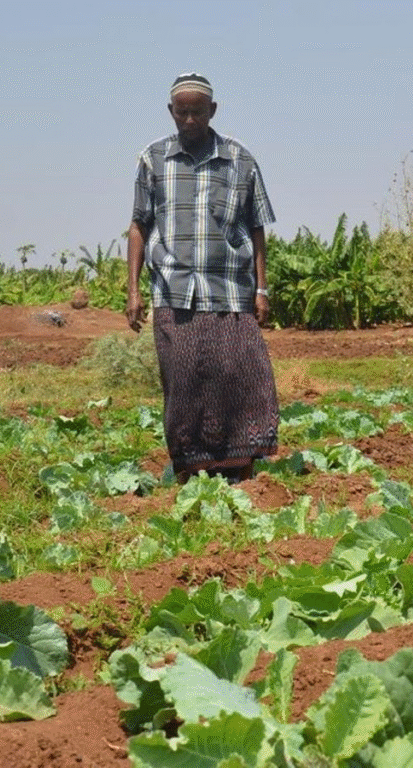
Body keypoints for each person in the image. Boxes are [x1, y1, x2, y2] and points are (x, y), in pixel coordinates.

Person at [126, 73, 280, 484]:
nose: (190, 120)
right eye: (182, 112)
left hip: (230, 290)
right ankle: (190, 472)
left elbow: (257, 227)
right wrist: (133, 291)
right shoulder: (153, 159)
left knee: (243, 377)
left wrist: (262, 288)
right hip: (174, 291)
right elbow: (139, 226)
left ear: (212, 111)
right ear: (171, 112)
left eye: (198, 112)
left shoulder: (240, 160)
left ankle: (242, 467)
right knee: (184, 384)